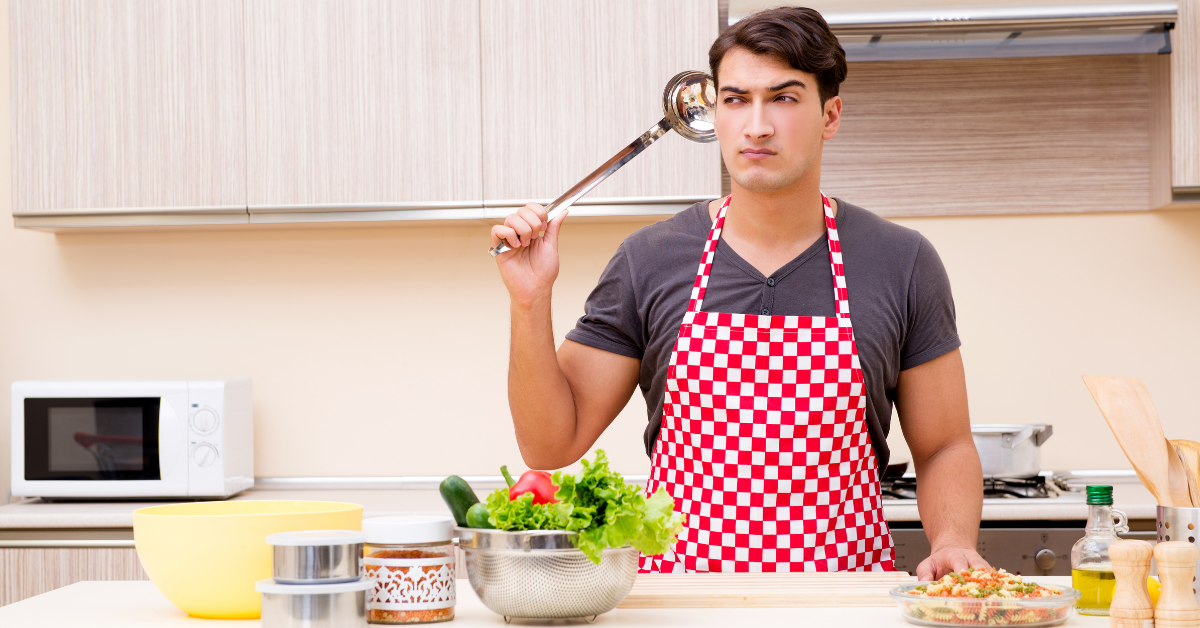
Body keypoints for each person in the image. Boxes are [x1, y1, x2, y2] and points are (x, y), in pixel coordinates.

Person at [489, 6, 987, 579]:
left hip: (842, 602)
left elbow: (945, 444)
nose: (757, 125)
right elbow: (549, 446)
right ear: (715, 114)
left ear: (830, 115)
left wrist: (952, 540)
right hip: (679, 607)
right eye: (735, 99)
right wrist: (529, 301)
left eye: (783, 97)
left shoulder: (900, 261)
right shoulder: (650, 260)